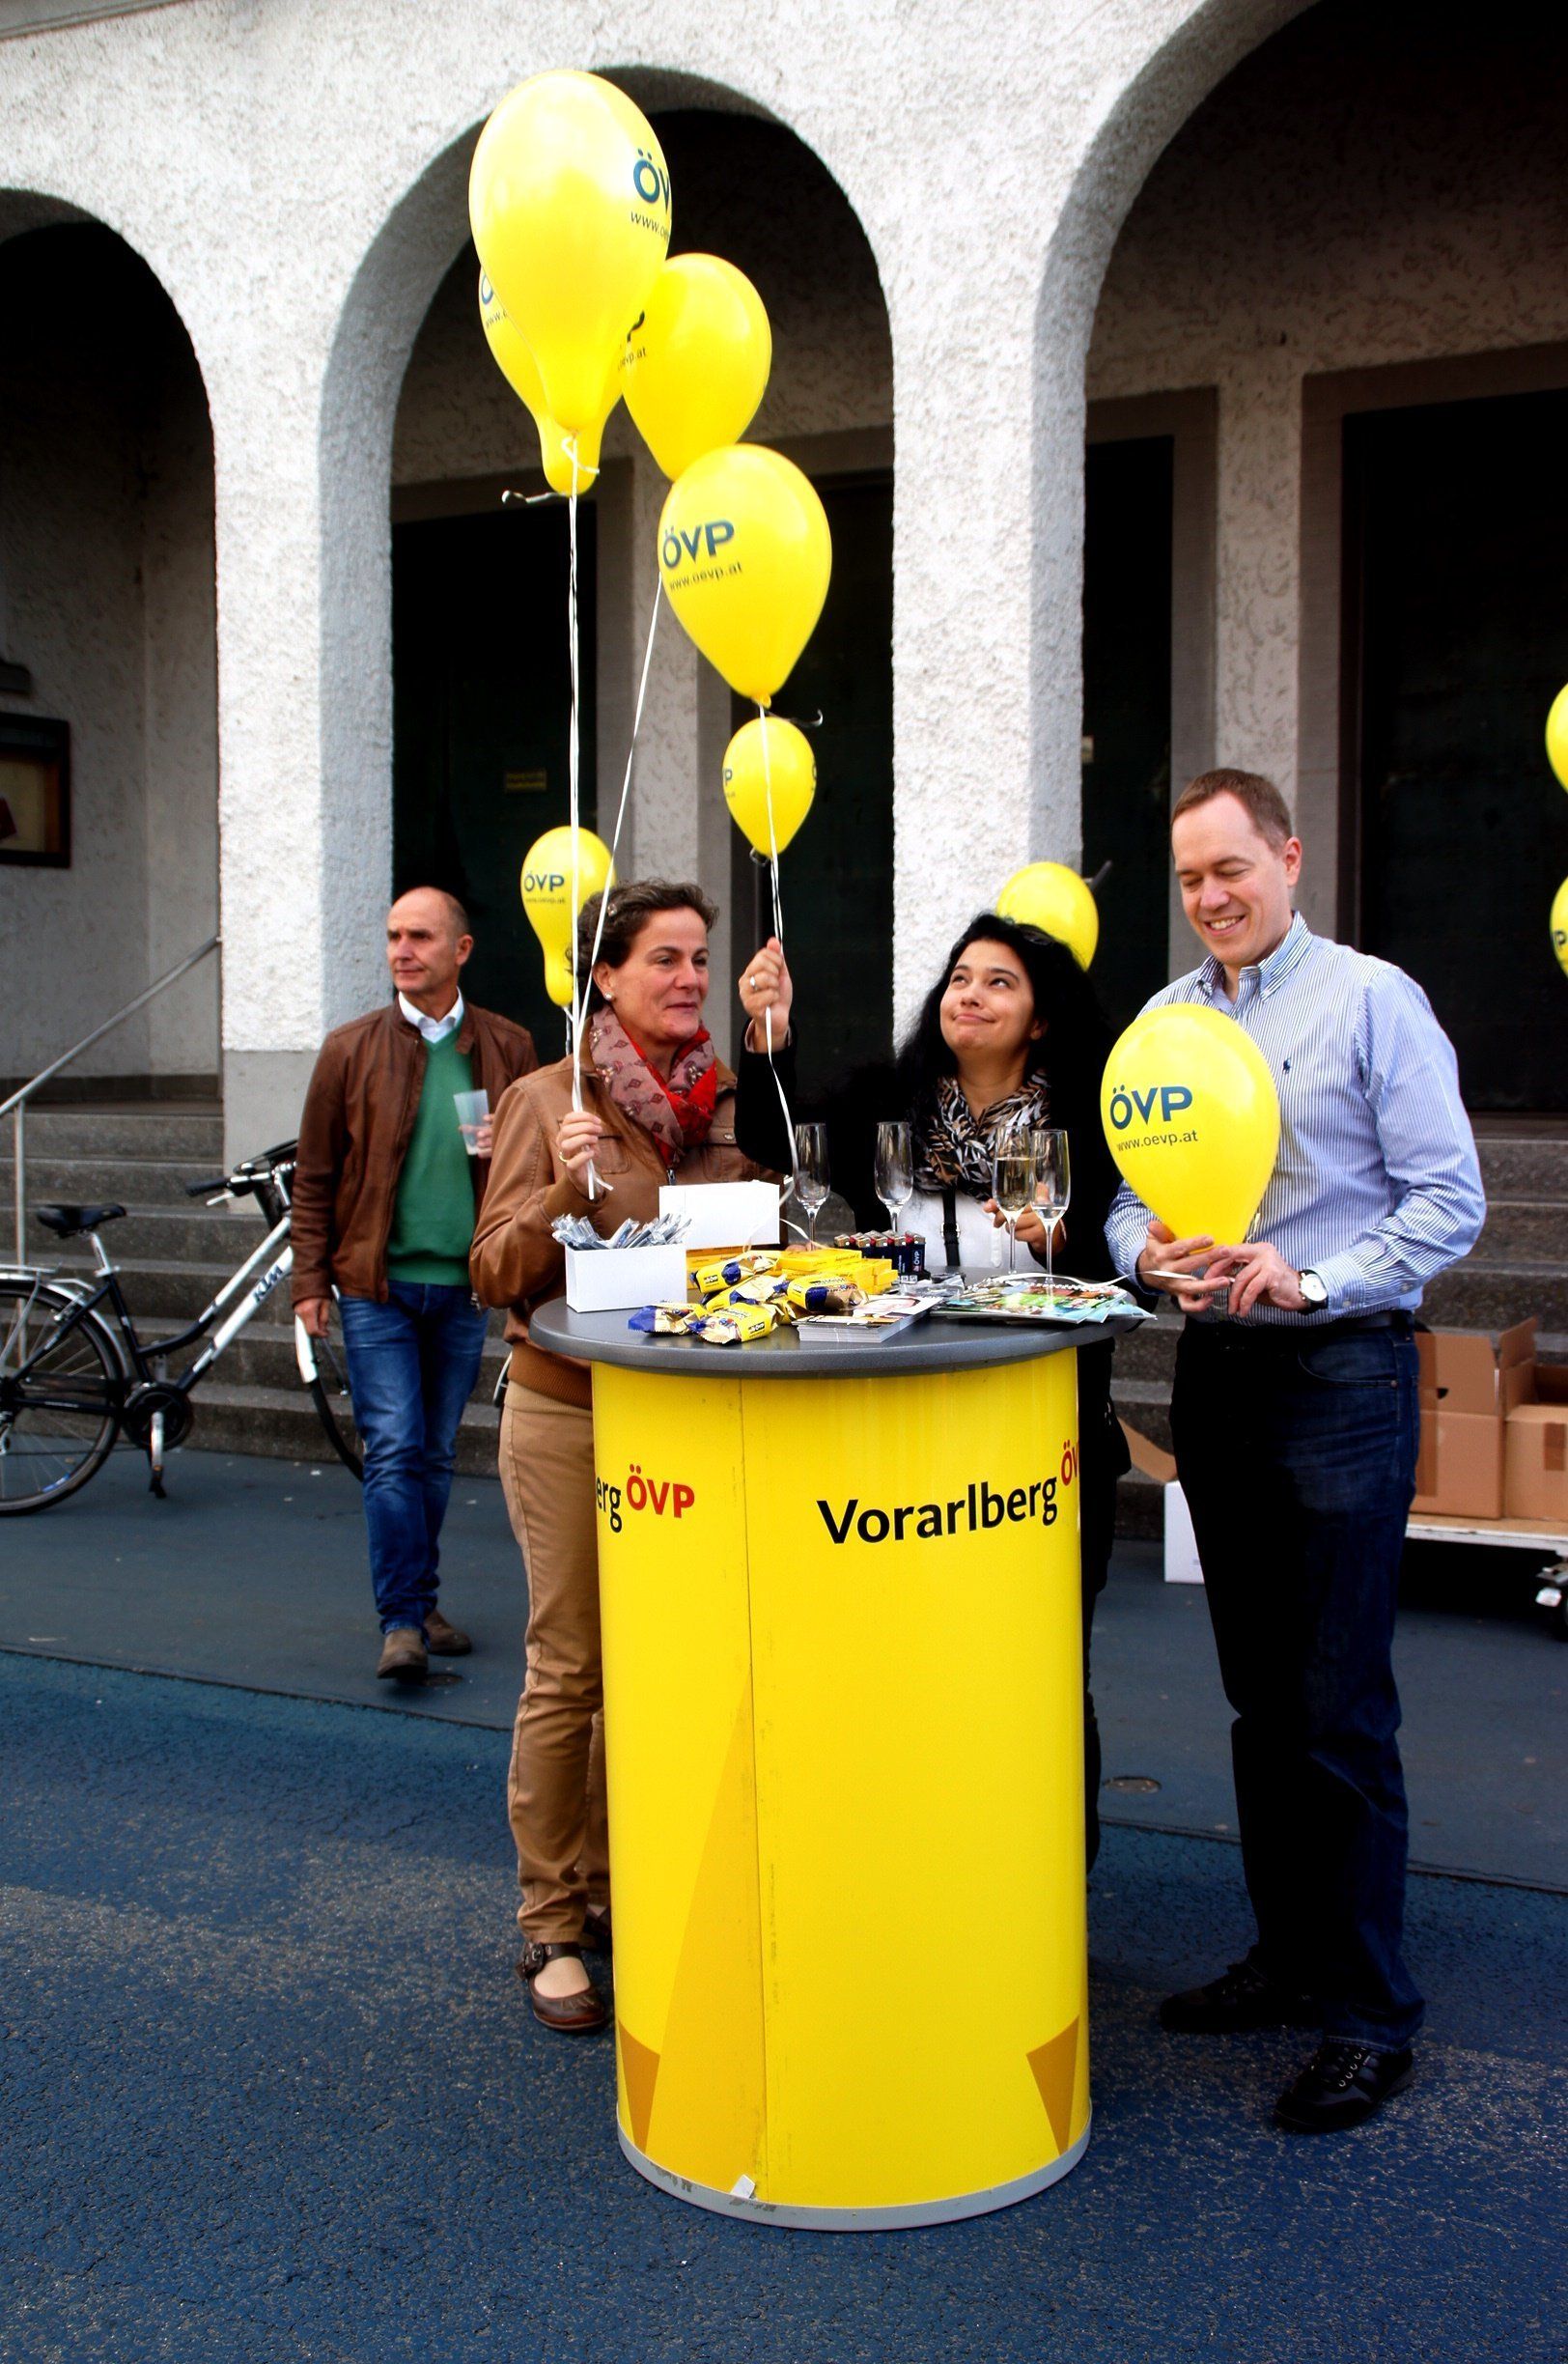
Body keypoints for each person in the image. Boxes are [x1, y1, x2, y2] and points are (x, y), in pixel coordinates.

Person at [1105, 769, 1485, 2133]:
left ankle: (1370, 2015)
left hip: (1339, 1373)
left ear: (1289, 857)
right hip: (1218, 1375)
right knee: (1262, 1706)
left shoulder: (1372, 1001)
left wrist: (1313, 1278)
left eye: (1231, 868)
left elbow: (1449, 1201)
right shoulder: (1164, 1023)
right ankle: (1287, 1955)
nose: (1211, 897)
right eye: (1190, 879)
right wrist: (1143, 1254)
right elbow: (1129, 1201)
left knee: (1336, 1711)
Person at [470, 882, 797, 2035]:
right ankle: (551, 1921)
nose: (690, 979)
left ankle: (620, 1883)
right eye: (664, 959)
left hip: (682, 1415)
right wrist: (566, 1184)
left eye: (699, 958)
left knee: (658, 1664)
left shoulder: (719, 1095)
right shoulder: (544, 1097)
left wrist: (771, 1089)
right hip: (567, 1415)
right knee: (572, 1668)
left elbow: (757, 1232)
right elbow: (493, 1270)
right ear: (603, 978)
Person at [825, 912, 1128, 1870]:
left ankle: (1050, 1880)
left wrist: (1061, 1243)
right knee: (918, 1661)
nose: (971, 995)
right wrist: (769, 1033)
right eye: (961, 977)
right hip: (911, 1432)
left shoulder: (1084, 1118)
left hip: (1045, 1439)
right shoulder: (891, 1104)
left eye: (999, 982)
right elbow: (771, 1133)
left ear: (1040, 1017)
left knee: (1043, 1668)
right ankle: (932, 1863)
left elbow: (1127, 1273)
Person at [292, 886, 537, 1682]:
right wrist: (308, 1281)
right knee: (395, 1448)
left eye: (421, 937)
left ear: (460, 950)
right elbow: (314, 1177)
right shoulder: (349, 1048)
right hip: (378, 1286)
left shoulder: (508, 1046)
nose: (402, 949)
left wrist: (507, 1147)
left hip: (465, 1287)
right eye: (395, 935)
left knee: (433, 1454)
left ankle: (421, 1603)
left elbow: (537, 1171)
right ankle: (401, 1620)